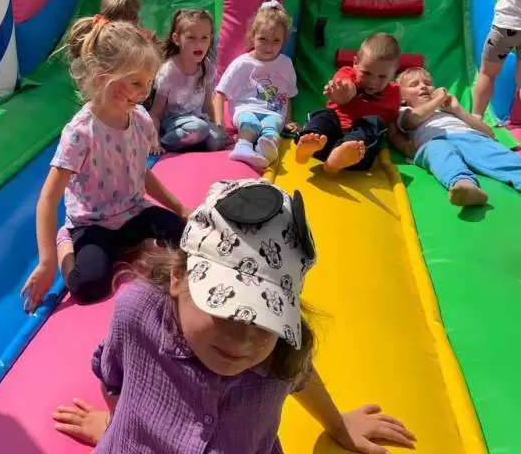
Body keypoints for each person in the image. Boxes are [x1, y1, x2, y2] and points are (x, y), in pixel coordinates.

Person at [52, 179, 417, 453]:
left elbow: (300, 373)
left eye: (264, 318)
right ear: (179, 277)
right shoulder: (138, 314)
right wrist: (119, 428)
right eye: (223, 306)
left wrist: (337, 425)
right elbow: (114, 378)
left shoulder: (280, 348)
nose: (243, 339)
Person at [21, 16, 191, 312]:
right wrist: (47, 263)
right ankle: (67, 243)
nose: (145, 92)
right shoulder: (81, 133)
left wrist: (180, 209)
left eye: (148, 83)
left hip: (133, 212)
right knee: (88, 286)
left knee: (188, 240)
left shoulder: (139, 119)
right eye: (136, 83)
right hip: (93, 223)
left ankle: (133, 244)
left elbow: (141, 172)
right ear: (102, 78)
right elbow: (47, 200)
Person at [398, 67, 521, 206]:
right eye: (414, 84)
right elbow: (413, 119)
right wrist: (438, 98)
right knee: (440, 155)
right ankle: (464, 185)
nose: (423, 86)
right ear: (402, 98)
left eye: (427, 83)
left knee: (503, 159)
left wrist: (457, 110)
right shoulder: (404, 111)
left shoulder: (446, 110)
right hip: (434, 141)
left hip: (469, 137)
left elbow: (489, 134)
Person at [294, 32, 409, 173]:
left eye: (382, 76)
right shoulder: (346, 74)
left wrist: (402, 142)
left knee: (374, 123)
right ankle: (307, 147)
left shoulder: (394, 93)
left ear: (394, 73)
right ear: (355, 63)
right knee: (325, 115)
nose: (373, 82)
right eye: (366, 73)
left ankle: (338, 160)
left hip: (357, 152)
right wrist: (346, 92)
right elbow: (345, 87)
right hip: (325, 140)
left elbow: (391, 123)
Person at [213, 1, 299, 170]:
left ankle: (266, 149)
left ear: (284, 40)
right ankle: (243, 146)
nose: (269, 46)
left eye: (276, 40)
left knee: (271, 126)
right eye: (263, 39)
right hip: (246, 109)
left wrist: (287, 122)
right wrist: (219, 125)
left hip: (273, 112)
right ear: (252, 36)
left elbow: (287, 96)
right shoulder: (243, 63)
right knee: (250, 122)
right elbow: (220, 93)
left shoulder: (286, 64)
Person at [149, 9, 227, 153]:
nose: (199, 44)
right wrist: (155, 141)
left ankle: (190, 142)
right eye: (191, 38)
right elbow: (156, 113)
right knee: (198, 129)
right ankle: (168, 142)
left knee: (217, 140)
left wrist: (217, 127)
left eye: (204, 38)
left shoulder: (207, 67)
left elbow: (208, 104)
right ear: (176, 39)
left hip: (198, 119)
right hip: (173, 122)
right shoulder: (168, 71)